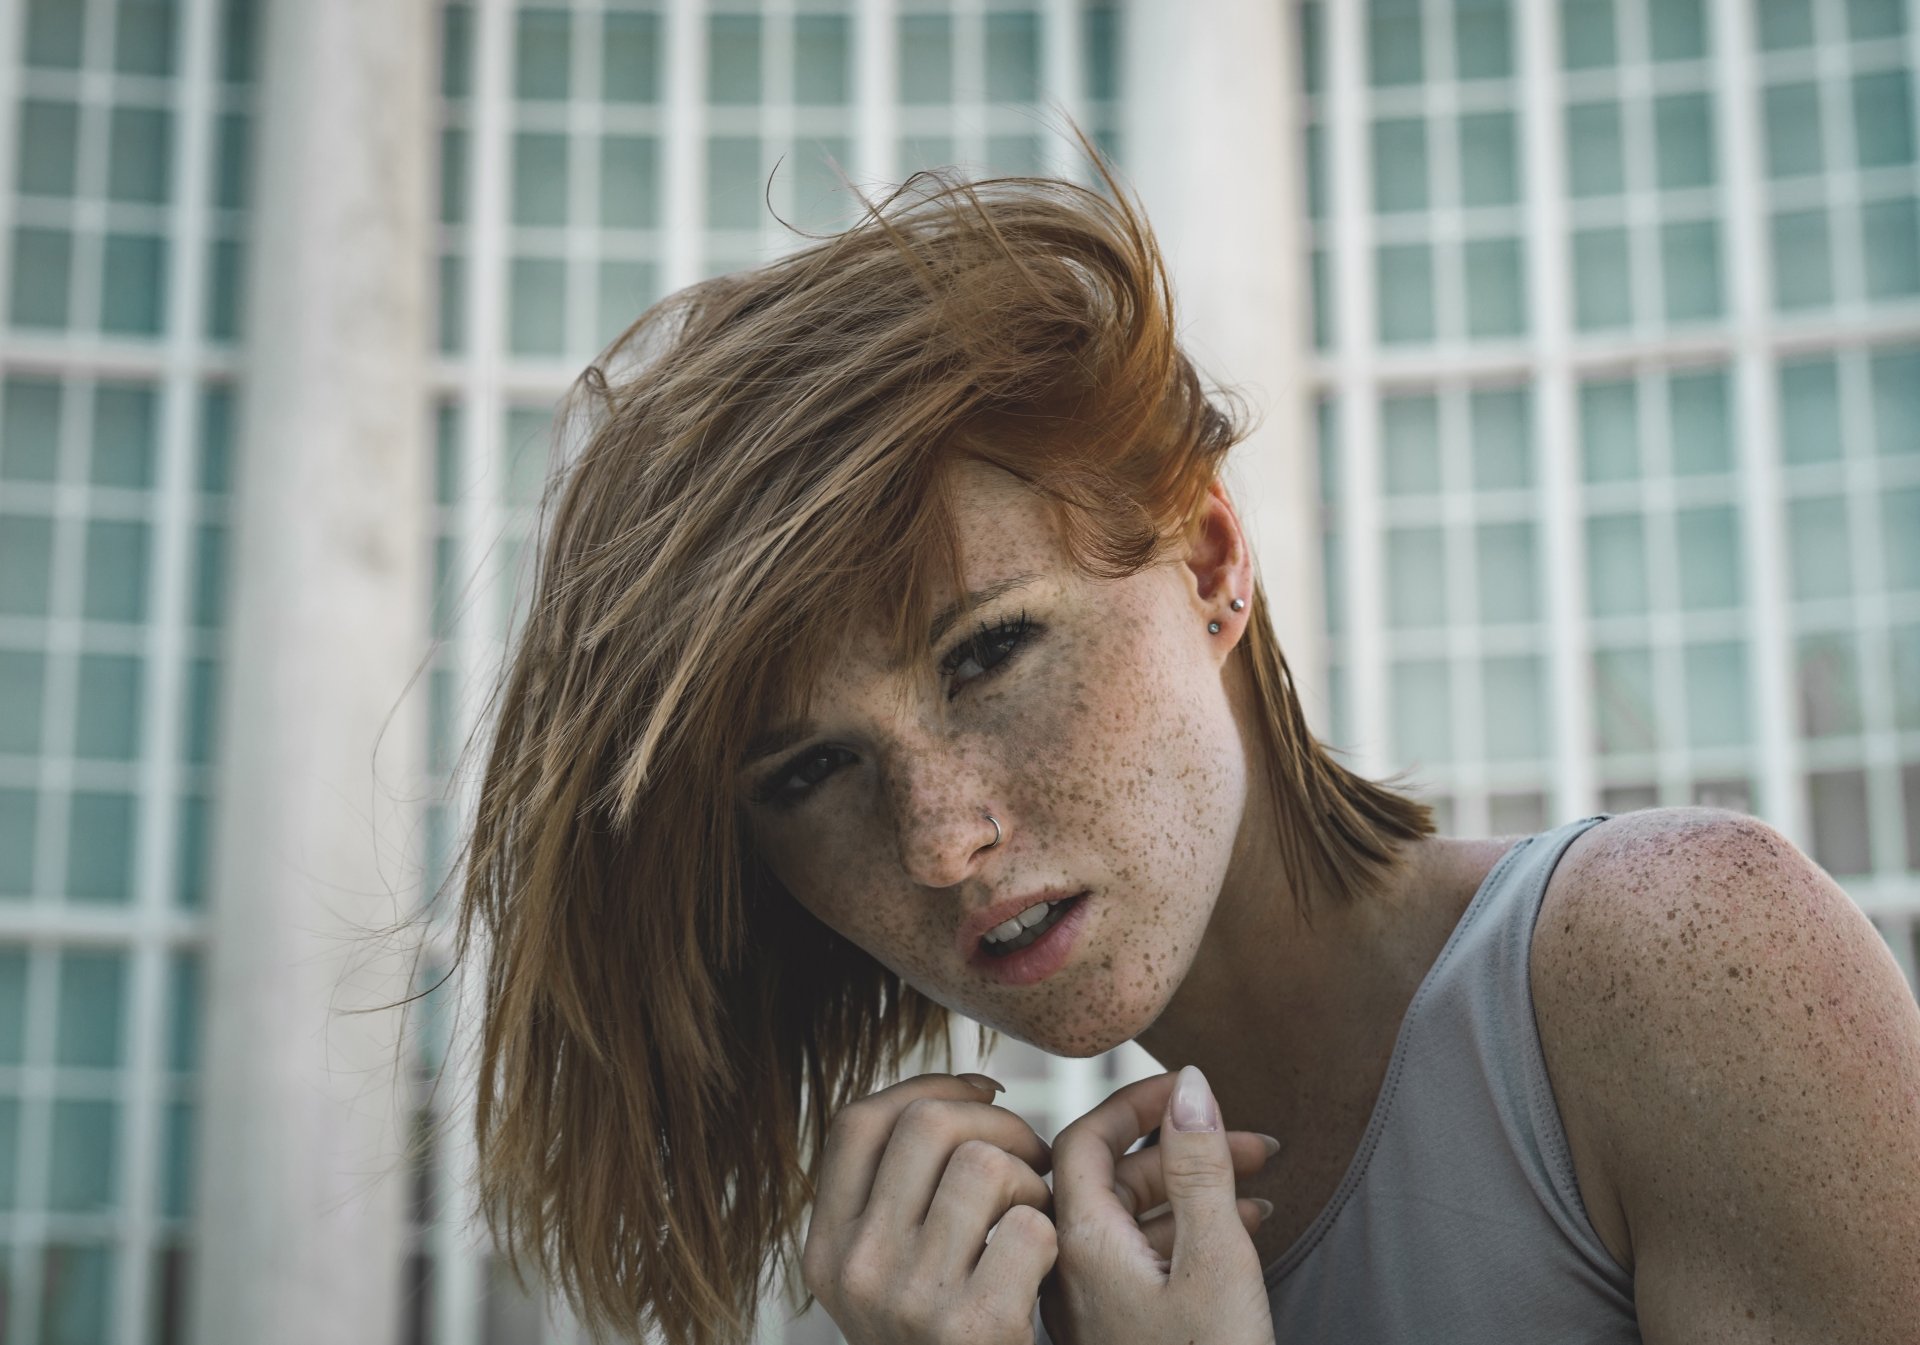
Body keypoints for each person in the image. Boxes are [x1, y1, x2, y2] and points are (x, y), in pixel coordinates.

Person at [453, 167, 1920, 1345]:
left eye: (988, 651)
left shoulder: (1685, 964)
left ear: (1211, 561)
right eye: (808, 774)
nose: (940, 841)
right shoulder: (1008, 1286)